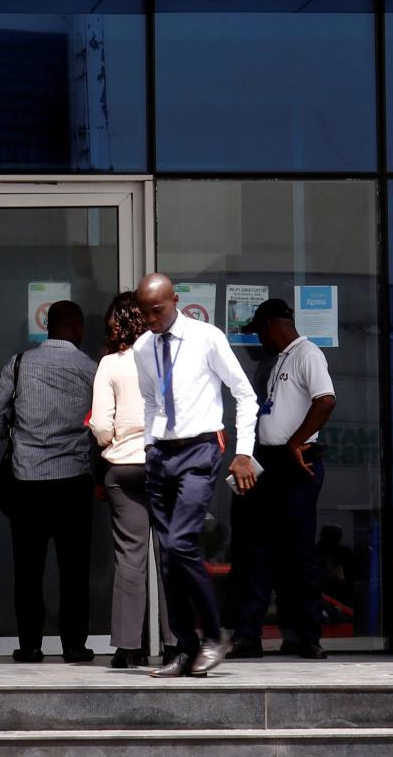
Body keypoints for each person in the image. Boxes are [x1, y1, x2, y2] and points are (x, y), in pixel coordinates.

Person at [133, 273, 259, 679]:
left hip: (200, 450)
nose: (151, 318)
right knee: (167, 557)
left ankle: (215, 635)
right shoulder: (142, 347)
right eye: (144, 312)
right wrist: (151, 446)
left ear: (174, 301)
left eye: (158, 309)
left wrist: (244, 453)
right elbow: (151, 399)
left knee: (182, 542)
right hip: (160, 456)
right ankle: (184, 650)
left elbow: (244, 394)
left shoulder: (207, 337)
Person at [0, 300, 98, 663]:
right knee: (75, 571)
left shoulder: (19, 363)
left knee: (28, 571)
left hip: (27, 480)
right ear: (77, 328)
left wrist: (12, 436)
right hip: (73, 481)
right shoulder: (90, 368)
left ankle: (30, 645)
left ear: (47, 326)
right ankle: (74, 646)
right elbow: (106, 419)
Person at [226, 298, 337, 661]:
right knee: (258, 550)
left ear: (274, 323)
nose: (260, 340)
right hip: (270, 464)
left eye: (260, 331)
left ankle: (307, 636)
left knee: (300, 552)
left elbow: (325, 401)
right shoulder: (279, 361)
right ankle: (249, 636)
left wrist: (294, 442)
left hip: (297, 464)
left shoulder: (308, 354)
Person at [90, 291, 173, 669]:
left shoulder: (110, 363)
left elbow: (102, 425)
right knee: (172, 555)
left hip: (123, 467)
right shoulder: (165, 357)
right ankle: (177, 644)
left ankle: (128, 649)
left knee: (130, 558)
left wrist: (111, 440)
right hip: (165, 464)